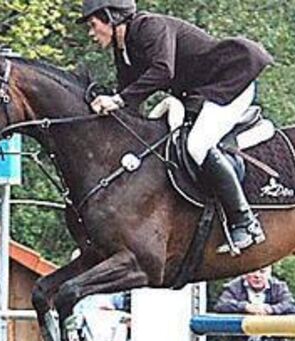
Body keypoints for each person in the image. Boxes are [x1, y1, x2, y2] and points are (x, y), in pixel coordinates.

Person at [78, 0, 274, 251]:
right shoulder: (124, 50)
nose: (92, 34)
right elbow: (130, 98)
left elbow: (163, 70)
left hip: (230, 80)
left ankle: (245, 222)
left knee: (197, 145)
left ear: (111, 17)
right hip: (200, 93)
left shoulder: (149, 27)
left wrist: (117, 99)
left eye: (94, 25)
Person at [214, 266, 295, 341]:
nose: (257, 276)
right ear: (245, 273)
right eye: (253, 271)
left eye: (262, 272)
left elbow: (291, 306)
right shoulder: (234, 286)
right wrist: (245, 307)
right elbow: (221, 305)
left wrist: (271, 309)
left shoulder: (279, 287)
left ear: (269, 273)